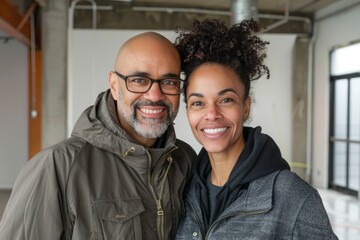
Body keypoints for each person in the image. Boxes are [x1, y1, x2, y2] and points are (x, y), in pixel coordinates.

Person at [0, 32, 196, 240]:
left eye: (169, 82)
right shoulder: (56, 167)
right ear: (114, 84)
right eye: (139, 80)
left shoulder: (185, 160)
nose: (155, 95)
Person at [174, 19, 338, 239]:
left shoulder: (293, 197)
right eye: (198, 102)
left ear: (245, 107)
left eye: (226, 100)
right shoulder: (183, 188)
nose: (211, 114)